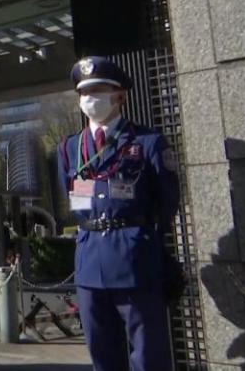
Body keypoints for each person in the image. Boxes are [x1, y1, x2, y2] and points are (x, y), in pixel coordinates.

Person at [57, 56, 179, 371]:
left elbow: (167, 201)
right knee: (102, 354)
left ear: (120, 96)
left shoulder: (147, 142)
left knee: (148, 355)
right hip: (89, 263)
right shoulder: (70, 148)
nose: (90, 98)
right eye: (84, 92)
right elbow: (74, 200)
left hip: (134, 260)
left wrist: (143, 236)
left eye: (98, 90)